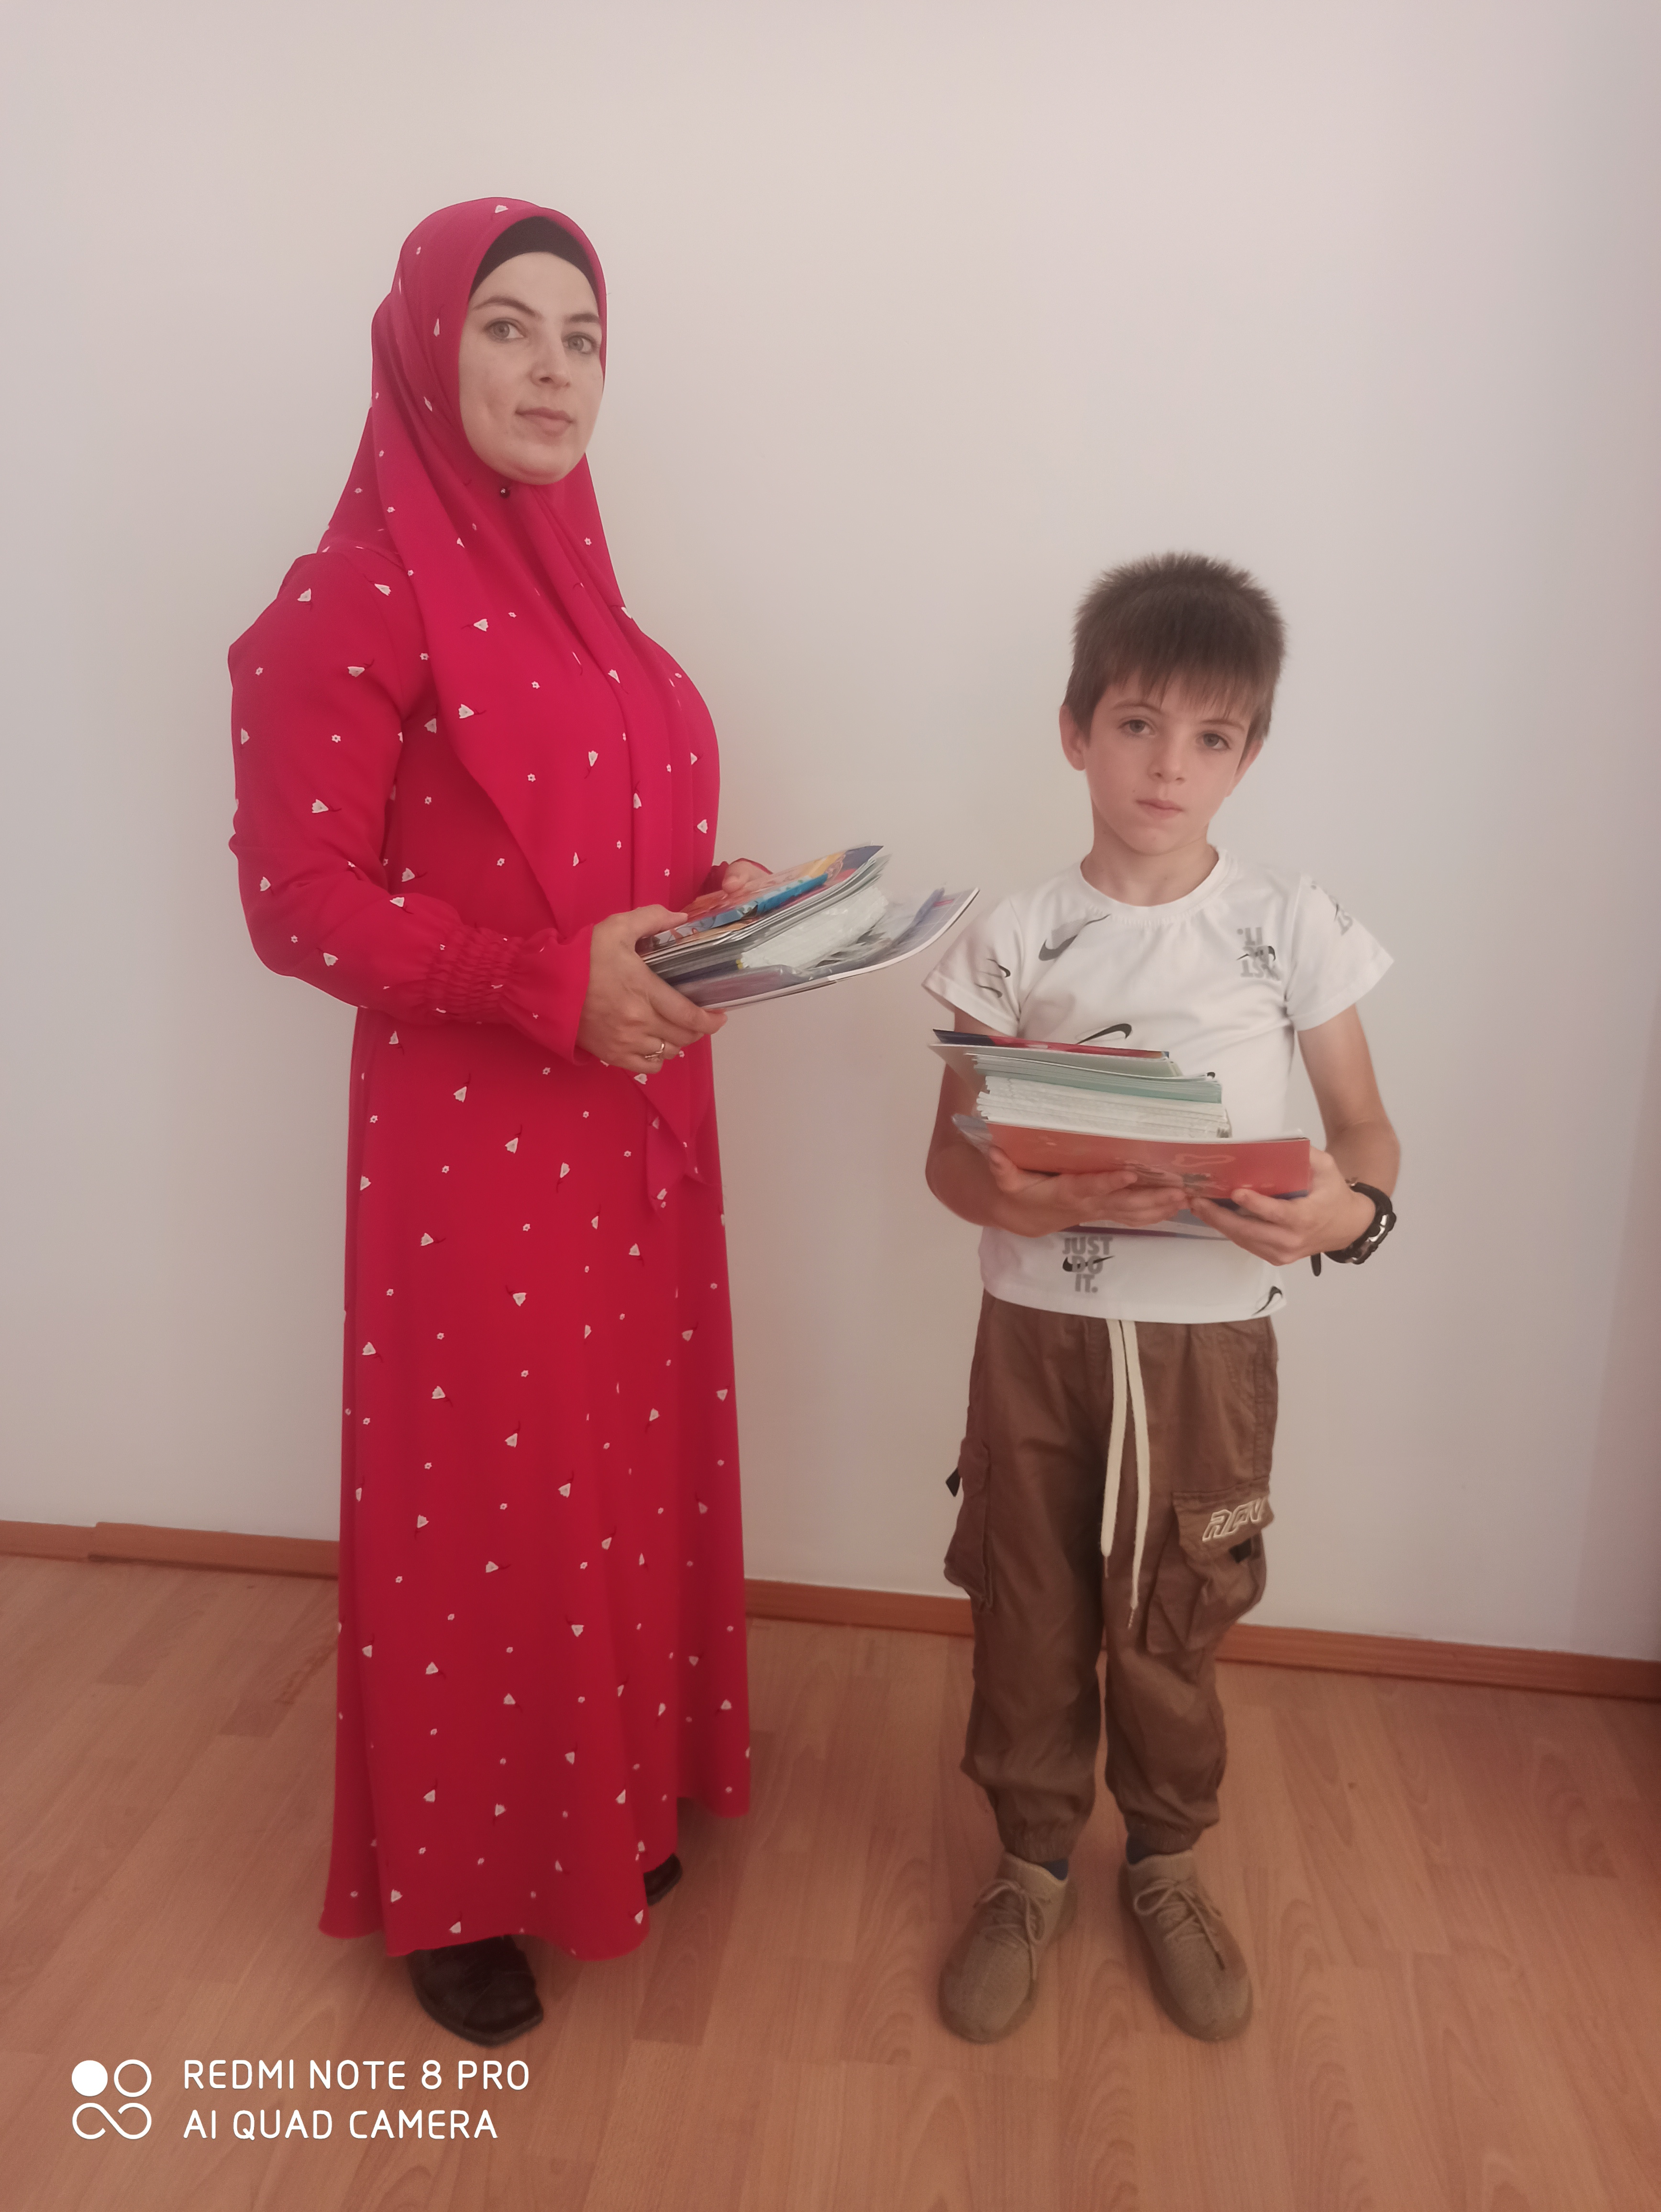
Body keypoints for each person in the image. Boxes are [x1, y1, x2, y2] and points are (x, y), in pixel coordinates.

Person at [230, 199, 766, 2046]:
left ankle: (597, 1816)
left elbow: (599, 856)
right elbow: (297, 900)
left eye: (582, 337)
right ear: (423, 348)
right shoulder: (352, 598)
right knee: (482, 1501)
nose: (553, 370)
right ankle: (458, 1886)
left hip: (633, 1118)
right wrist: (543, 984)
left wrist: (727, 911)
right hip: (478, 1136)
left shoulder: (592, 607)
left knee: (609, 1469)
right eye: (508, 327)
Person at [922, 552, 1399, 2045]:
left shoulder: (1289, 926)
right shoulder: (1011, 938)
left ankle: (1167, 1862)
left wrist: (1342, 1214)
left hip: (1211, 1351)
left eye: (1209, 738)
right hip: (1037, 1339)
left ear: (1248, 756)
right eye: (1136, 725)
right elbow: (949, 1160)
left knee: (1177, 1613)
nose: (1167, 766)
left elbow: (1365, 1133)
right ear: (1077, 731)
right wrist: (1024, 1198)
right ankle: (1030, 1866)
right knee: (1029, 1603)